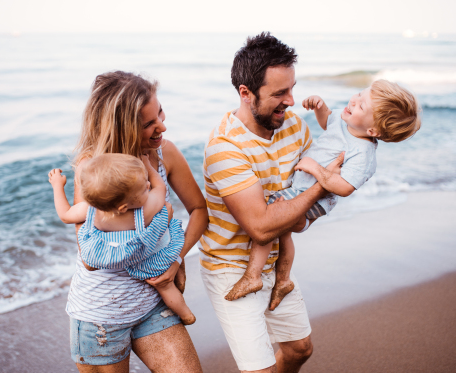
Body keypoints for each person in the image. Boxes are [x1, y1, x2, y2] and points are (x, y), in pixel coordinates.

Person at [199, 32, 344, 373]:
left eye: (292, 88)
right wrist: (323, 188)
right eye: (279, 93)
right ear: (246, 93)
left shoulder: (292, 124)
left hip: (276, 263)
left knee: (299, 350)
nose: (291, 101)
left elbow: (300, 202)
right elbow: (261, 227)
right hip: (232, 267)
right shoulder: (225, 148)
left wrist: (300, 215)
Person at [226, 80, 422, 309]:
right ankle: (284, 280)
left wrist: (315, 169)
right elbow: (328, 122)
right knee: (283, 230)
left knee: (272, 217)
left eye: (361, 106)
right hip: (301, 188)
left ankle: (253, 276)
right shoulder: (346, 119)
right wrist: (320, 107)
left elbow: (345, 187)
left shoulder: (363, 152)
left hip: (315, 197)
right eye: (359, 93)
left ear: (373, 131)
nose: (354, 101)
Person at [62, 71, 207, 372]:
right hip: (101, 314)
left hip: (154, 303)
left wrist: (175, 261)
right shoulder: (93, 171)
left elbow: (198, 210)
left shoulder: (163, 152)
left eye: (161, 114)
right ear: (122, 127)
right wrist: (151, 227)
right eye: (149, 124)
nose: (162, 126)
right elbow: (89, 258)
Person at [48, 153, 196, 325]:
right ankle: (186, 315)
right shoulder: (145, 211)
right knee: (165, 287)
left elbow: (65, 215)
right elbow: (160, 188)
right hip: (153, 259)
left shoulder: (91, 212)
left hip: (123, 258)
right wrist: (148, 167)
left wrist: (57, 186)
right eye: (143, 189)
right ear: (124, 206)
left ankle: (185, 314)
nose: (148, 185)